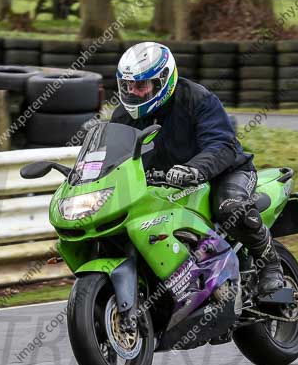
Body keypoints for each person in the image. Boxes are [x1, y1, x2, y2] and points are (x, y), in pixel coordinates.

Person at [110, 41, 283, 295]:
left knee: (230, 208)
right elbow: (114, 158)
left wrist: (193, 170)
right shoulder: (122, 117)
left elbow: (222, 144)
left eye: (141, 85)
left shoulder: (197, 99)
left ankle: (271, 266)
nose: (134, 92)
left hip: (225, 172)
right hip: (165, 185)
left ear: (163, 81)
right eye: (128, 86)